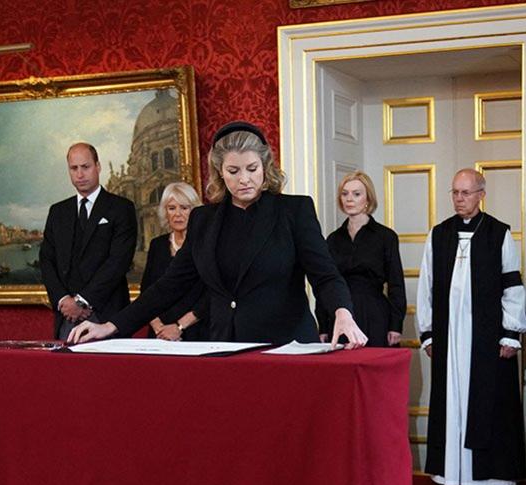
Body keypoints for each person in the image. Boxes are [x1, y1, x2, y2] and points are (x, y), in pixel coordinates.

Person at [69, 121, 366, 348]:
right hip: (225, 347)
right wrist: (111, 325)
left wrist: (343, 311)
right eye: (233, 171)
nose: (244, 179)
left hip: (285, 345)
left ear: (265, 167)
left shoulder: (294, 211)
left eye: (251, 168)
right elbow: (169, 286)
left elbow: (325, 275)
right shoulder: (203, 220)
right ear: (220, 173)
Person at [416, 168, 526, 485]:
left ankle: (490, 477)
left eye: (466, 193)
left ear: (481, 194)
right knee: (450, 399)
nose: (459, 199)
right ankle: (450, 472)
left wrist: (510, 332)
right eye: (455, 193)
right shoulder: (439, 235)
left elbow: (512, 286)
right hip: (449, 335)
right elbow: (427, 286)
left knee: (488, 399)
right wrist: (428, 333)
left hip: (487, 337)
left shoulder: (498, 233)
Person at [39, 142, 137, 340]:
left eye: (85, 167)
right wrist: (64, 301)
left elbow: (118, 262)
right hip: (66, 317)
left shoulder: (121, 208)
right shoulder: (58, 212)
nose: (80, 174)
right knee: (67, 371)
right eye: (74, 168)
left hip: (108, 315)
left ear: (98, 166)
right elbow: (47, 260)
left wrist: (82, 302)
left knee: (109, 372)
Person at [316, 172, 406, 347]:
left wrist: (396, 326)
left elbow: (396, 285)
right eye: (345, 193)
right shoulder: (333, 239)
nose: (349, 199)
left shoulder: (386, 237)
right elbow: (324, 284)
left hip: (375, 314)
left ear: (368, 199)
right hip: (340, 315)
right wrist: (323, 327)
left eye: (356, 194)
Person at [140, 182, 206, 341]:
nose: (177, 214)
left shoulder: (205, 245)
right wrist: (158, 327)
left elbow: (211, 295)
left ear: (195, 211)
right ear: (165, 212)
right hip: (159, 335)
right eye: (171, 208)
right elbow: (147, 290)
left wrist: (179, 326)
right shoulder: (157, 245)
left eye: (184, 208)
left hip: (197, 332)